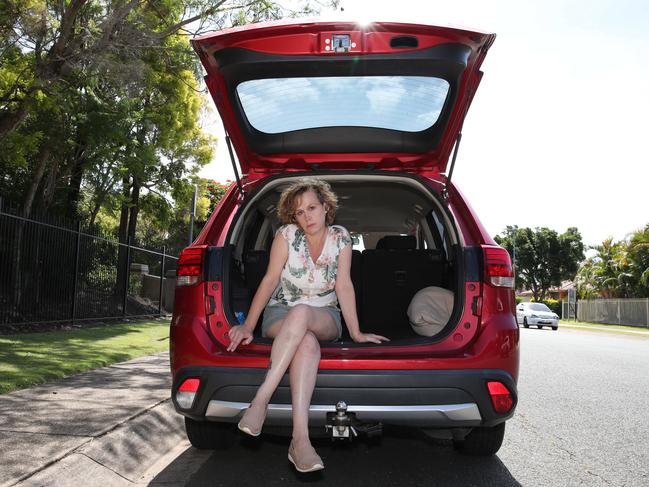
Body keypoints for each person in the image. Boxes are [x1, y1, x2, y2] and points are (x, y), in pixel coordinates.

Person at [226, 177, 389, 473]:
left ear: (326, 207)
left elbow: (344, 286)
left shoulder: (340, 238)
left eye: (312, 208)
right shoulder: (286, 235)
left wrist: (356, 333)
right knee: (306, 341)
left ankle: (260, 400)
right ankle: (300, 441)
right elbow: (270, 279)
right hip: (281, 314)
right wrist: (249, 325)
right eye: (300, 212)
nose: (307, 217)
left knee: (304, 313)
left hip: (325, 315)